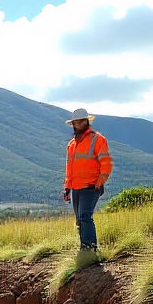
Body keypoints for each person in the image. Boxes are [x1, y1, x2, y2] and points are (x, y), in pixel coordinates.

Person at [62, 108, 112, 256]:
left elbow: (106, 163)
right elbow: (69, 167)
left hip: (91, 186)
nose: (78, 125)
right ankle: (84, 249)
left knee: (85, 216)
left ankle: (92, 249)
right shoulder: (72, 144)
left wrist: (99, 182)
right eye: (75, 123)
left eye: (81, 122)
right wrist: (67, 187)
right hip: (76, 187)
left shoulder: (98, 139)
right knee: (80, 220)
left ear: (87, 122)